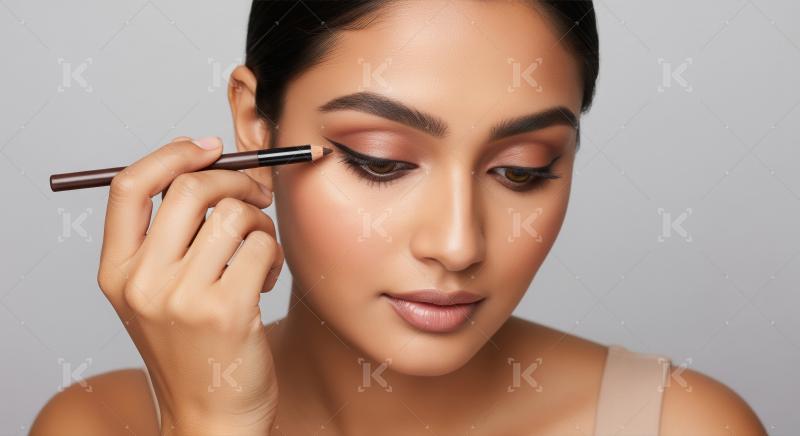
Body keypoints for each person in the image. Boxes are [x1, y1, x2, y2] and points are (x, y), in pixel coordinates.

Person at [31, 1, 767, 435]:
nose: (456, 244)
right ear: (256, 122)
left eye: (522, 170)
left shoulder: (680, 426)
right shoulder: (100, 423)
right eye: (381, 160)